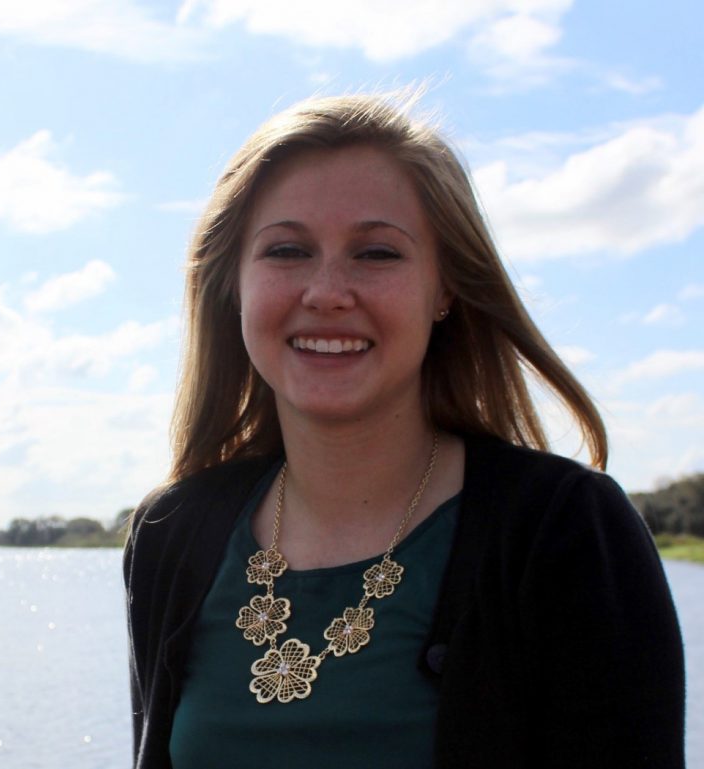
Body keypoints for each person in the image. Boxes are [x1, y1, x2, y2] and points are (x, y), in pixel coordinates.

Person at [123, 93, 685, 769]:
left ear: (443, 287)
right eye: (288, 249)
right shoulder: (173, 533)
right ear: (233, 285)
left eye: (378, 253)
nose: (327, 290)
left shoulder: (564, 534)